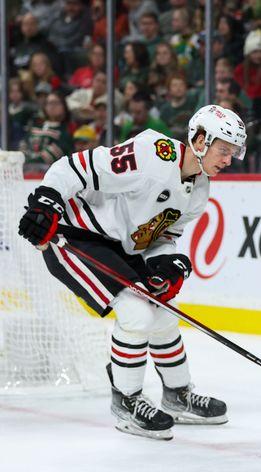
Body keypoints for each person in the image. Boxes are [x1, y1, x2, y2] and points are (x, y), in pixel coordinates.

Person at [17, 104, 247, 440]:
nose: (228, 160)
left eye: (233, 153)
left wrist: (166, 264)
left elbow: (162, 237)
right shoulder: (153, 154)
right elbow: (75, 167)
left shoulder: (198, 191)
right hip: (75, 234)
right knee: (136, 315)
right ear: (199, 140)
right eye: (224, 150)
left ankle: (177, 394)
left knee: (165, 312)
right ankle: (126, 400)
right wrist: (47, 201)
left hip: (120, 247)